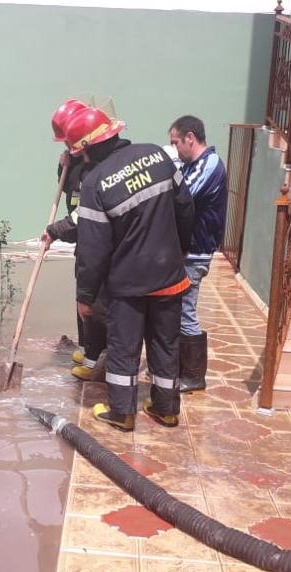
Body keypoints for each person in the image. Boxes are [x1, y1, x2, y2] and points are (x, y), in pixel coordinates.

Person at [67, 107, 194, 432]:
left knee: (124, 348)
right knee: (166, 344)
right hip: (169, 276)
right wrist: (181, 249)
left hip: (128, 285)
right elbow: (185, 206)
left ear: (84, 151)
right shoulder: (157, 156)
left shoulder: (95, 184)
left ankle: (122, 412)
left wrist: (85, 295)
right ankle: (166, 409)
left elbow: (93, 251)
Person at [43, 99, 108, 381]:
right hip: (83, 238)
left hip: (95, 238)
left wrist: (56, 230)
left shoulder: (98, 166)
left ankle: (96, 358)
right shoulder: (81, 162)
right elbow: (73, 198)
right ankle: (87, 348)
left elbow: (86, 214)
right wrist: (64, 169)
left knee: (92, 301)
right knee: (83, 297)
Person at [168, 115, 227, 394]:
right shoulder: (192, 165)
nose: (175, 148)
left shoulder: (210, 164)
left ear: (190, 138)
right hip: (188, 252)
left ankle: (193, 376)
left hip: (196, 252)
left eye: (176, 142)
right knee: (179, 310)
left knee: (185, 311)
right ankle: (183, 369)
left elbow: (184, 197)